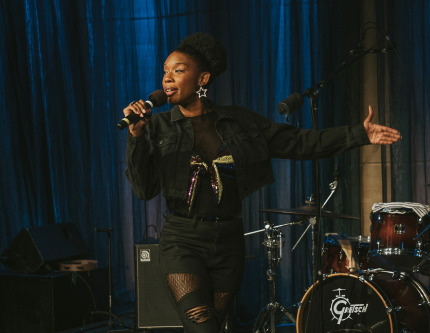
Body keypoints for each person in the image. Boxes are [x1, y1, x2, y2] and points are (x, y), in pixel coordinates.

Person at [123, 32, 401, 333]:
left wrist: (359, 135)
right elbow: (143, 189)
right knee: (202, 327)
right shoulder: (158, 128)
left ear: (202, 78)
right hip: (183, 239)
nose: (167, 78)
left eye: (178, 70)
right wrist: (137, 138)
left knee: (215, 325)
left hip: (228, 240)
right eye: (165, 71)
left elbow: (299, 142)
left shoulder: (239, 122)